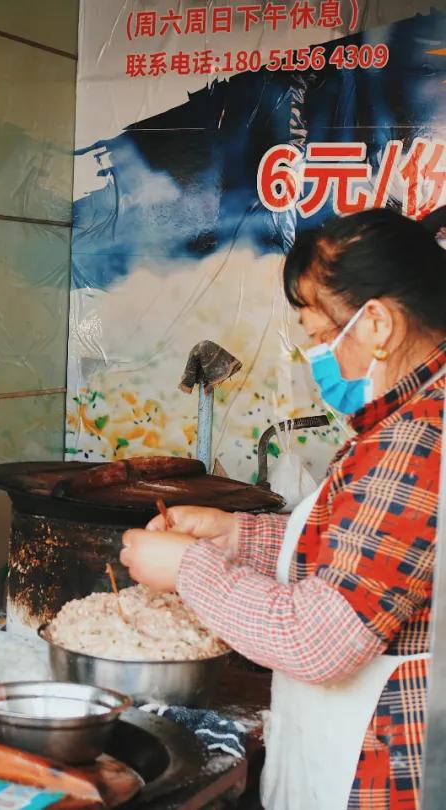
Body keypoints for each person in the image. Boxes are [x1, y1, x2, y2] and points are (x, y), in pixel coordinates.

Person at [120, 207, 445, 809]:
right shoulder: (406, 413)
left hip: (383, 773)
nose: (319, 356)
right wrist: (237, 537)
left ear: (376, 323)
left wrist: (189, 569)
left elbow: (319, 639)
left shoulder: (418, 438)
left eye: (321, 336)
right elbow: (368, 557)